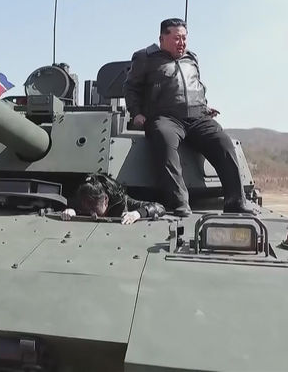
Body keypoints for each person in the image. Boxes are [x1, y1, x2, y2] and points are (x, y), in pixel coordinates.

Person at [123, 18, 255, 217]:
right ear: (162, 38)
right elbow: (131, 87)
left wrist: (204, 106)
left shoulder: (191, 58)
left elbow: (196, 86)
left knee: (224, 143)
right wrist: (136, 113)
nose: (182, 43)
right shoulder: (145, 57)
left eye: (184, 38)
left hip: (197, 117)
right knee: (164, 140)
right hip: (166, 117)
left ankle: (235, 202)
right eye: (177, 38)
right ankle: (179, 202)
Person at [60, 173, 166, 225]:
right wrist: (71, 211)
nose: (91, 212)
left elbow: (159, 207)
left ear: (105, 200)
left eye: (94, 207)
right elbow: (68, 205)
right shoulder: (84, 202)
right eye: (87, 208)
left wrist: (137, 213)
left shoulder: (123, 203)